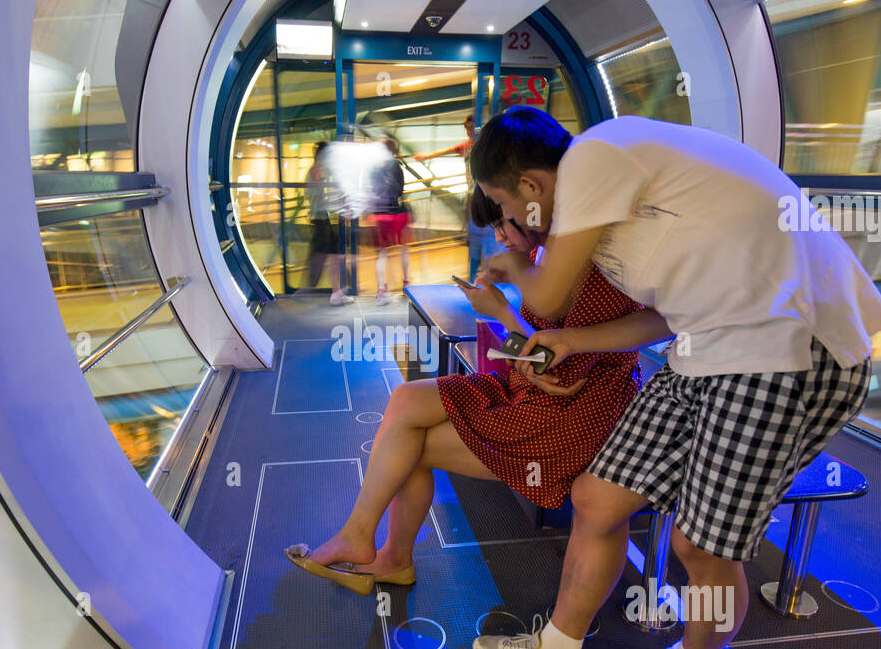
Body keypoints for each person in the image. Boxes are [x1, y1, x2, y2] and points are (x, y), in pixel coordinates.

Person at [469, 106, 881, 649]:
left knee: (702, 544)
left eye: (504, 208)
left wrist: (513, 272)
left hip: (788, 350)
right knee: (598, 498)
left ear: (531, 187)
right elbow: (667, 316)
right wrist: (576, 341)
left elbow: (547, 297)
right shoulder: (618, 211)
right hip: (705, 349)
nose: (508, 226)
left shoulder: (593, 156)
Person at [285, 185, 665, 595]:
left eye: (503, 217)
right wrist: (508, 321)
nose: (499, 236)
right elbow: (542, 355)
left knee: (403, 447)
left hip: (570, 417)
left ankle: (380, 550)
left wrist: (501, 310)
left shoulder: (587, 266)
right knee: (406, 400)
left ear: (534, 194)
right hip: (534, 390)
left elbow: (562, 364)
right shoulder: (543, 255)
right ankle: (368, 541)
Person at [415, 114, 503, 280]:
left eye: (472, 128)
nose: (470, 131)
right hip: (473, 193)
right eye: (468, 128)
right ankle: (479, 275)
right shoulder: (467, 146)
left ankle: (487, 274)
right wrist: (425, 157)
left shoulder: (487, 146)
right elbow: (446, 151)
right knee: (477, 237)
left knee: (484, 235)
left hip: (485, 194)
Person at [300, 142, 347, 305]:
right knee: (318, 257)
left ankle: (337, 291)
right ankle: (307, 292)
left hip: (322, 218)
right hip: (319, 219)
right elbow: (322, 181)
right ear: (321, 156)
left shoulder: (317, 170)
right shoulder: (316, 169)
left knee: (332, 255)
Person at [367, 137, 411, 305]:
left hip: (380, 214)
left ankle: (381, 291)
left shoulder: (373, 168)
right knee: (404, 249)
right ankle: (406, 284)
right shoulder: (396, 166)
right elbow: (400, 190)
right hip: (398, 213)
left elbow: (372, 190)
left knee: (382, 254)